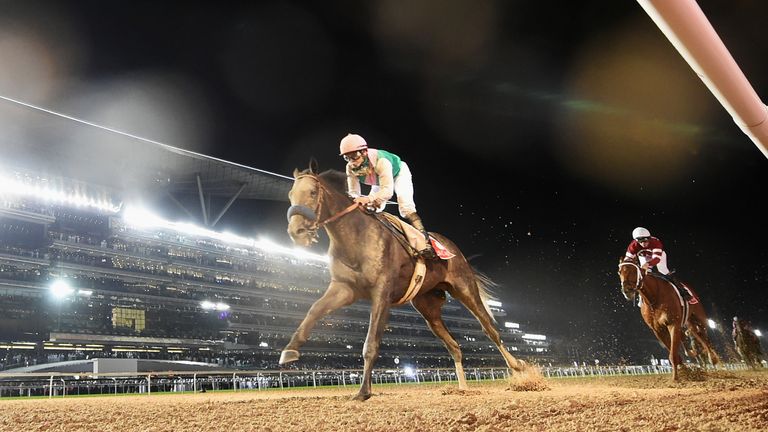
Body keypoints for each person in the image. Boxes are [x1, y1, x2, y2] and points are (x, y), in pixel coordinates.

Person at [339, 133, 436, 259]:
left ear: (364, 152)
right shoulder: (350, 168)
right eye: (347, 158)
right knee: (371, 208)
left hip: (398, 173)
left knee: (405, 207)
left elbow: (388, 192)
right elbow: (353, 193)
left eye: (354, 156)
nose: (352, 162)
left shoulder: (382, 161)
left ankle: (425, 242)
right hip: (379, 181)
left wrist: (368, 198)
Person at [625, 227, 690, 301]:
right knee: (643, 274)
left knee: (663, 270)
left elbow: (656, 259)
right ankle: (640, 296)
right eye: (641, 241)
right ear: (636, 241)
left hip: (658, 256)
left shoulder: (655, 242)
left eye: (646, 240)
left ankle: (683, 291)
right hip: (643, 256)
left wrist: (648, 264)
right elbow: (627, 260)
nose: (644, 243)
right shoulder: (633, 246)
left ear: (649, 238)